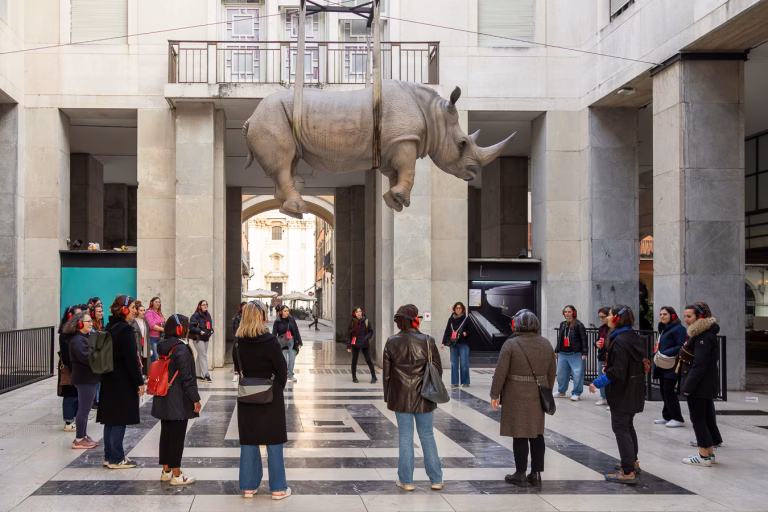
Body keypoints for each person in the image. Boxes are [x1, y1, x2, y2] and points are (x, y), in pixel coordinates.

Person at [490, 309, 555, 486]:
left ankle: (520, 473)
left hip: (515, 394)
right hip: (538, 393)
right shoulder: (546, 343)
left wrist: (494, 394)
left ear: (518, 325)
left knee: (519, 434)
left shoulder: (511, 344)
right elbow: (551, 373)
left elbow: (500, 372)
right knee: (536, 433)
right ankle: (536, 474)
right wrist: (546, 390)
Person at [383, 304, 443, 491]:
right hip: (425, 395)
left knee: (405, 437)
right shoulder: (427, 340)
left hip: (401, 396)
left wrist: (389, 397)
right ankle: (436, 480)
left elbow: (387, 375)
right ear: (415, 319)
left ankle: (406, 481)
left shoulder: (391, 341)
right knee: (427, 436)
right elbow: (437, 370)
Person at [235, 302, 291, 499]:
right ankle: (278, 488)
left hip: (247, 394)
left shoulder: (238, 342)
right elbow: (282, 370)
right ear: (260, 317)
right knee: (274, 439)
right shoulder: (270, 341)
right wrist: (277, 387)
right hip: (271, 394)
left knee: (249, 439)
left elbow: (237, 367)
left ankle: (249, 486)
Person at [588, 305, 646, 484]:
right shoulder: (632, 337)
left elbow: (617, 373)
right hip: (634, 389)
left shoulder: (619, 341)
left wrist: (597, 382)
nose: (607, 318)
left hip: (623, 392)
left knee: (621, 429)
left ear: (617, 319)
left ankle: (627, 472)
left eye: (611, 315)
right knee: (628, 427)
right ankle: (632, 463)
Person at [151, 314, 201, 485]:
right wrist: (195, 399)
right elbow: (187, 378)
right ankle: (177, 475)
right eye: (185, 327)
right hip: (178, 399)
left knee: (166, 435)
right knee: (177, 437)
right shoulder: (180, 349)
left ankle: (166, 471)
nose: (187, 330)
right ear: (179, 329)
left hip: (164, 395)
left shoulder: (163, 345)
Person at [98, 295, 145, 469]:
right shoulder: (124, 329)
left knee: (110, 420)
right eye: (133, 307)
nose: (134, 311)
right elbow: (131, 359)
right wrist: (139, 382)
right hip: (122, 381)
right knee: (119, 419)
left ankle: (109, 456)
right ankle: (117, 458)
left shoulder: (110, 326)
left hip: (109, 379)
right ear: (124, 310)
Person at [680, 302, 723, 467]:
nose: (686, 319)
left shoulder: (703, 336)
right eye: (685, 316)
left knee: (698, 418)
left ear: (700, 317)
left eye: (689, 316)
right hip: (705, 383)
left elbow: (700, 364)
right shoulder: (704, 333)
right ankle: (709, 453)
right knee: (705, 418)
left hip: (700, 384)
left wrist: (688, 387)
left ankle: (703, 455)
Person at [66, 312, 100, 449]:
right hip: (84, 378)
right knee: (84, 410)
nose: (91, 324)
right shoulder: (78, 340)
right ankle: (79, 439)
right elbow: (86, 358)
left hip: (88, 378)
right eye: (88, 322)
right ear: (80, 324)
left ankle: (83, 435)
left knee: (85, 409)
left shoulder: (83, 338)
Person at [653, 306, 687, 428]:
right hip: (663, 363)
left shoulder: (679, 329)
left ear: (672, 316)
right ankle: (667, 415)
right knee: (663, 390)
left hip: (673, 364)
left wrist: (666, 352)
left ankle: (677, 417)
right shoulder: (663, 328)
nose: (662, 316)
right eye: (661, 314)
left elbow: (682, 345)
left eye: (665, 314)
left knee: (668, 390)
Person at [554, 305, 588, 401]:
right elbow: (560, 339)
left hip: (576, 353)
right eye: (565, 312)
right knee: (561, 374)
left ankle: (576, 393)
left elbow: (584, 340)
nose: (567, 314)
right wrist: (556, 350)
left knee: (577, 374)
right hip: (563, 353)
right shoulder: (562, 324)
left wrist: (585, 353)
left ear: (574, 313)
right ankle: (561, 391)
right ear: (563, 313)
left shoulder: (579, 325)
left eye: (569, 312)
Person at [58, 305, 82, 432]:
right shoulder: (65, 333)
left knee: (77, 394)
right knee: (70, 394)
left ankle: (74, 417)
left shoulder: (75, 332)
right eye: (77, 315)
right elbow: (67, 354)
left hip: (76, 367)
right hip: (69, 367)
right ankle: (68, 421)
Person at [440, 302, 472, 388]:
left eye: (460, 308)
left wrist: (466, 333)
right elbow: (447, 332)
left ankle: (465, 382)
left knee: (464, 363)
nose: (458, 310)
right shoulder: (451, 320)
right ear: (454, 309)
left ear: (462, 309)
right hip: (453, 344)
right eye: (457, 308)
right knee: (454, 364)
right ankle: (454, 382)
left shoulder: (466, 319)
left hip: (463, 344)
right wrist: (443, 342)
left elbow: (472, 331)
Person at [347, 307, 376, 384]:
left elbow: (370, 331)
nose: (359, 313)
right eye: (357, 312)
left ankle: (374, 377)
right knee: (354, 361)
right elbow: (349, 335)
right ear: (354, 313)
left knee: (368, 360)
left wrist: (367, 337)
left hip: (364, 343)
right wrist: (349, 346)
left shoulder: (366, 322)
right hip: (355, 343)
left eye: (360, 311)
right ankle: (354, 377)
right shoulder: (352, 322)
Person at [273, 305, 302, 383]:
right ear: (281, 312)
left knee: (292, 359)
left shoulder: (292, 320)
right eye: (285, 311)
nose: (287, 312)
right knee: (284, 360)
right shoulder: (277, 321)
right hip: (282, 342)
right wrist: (273, 344)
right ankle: (284, 375)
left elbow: (296, 331)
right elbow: (274, 333)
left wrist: (299, 341)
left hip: (292, 341)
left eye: (288, 311)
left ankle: (290, 375)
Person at [189, 300, 213, 382]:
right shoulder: (195, 315)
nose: (205, 306)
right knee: (203, 355)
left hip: (206, 337)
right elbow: (191, 327)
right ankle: (206, 374)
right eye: (203, 305)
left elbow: (209, 325)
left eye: (206, 304)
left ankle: (198, 375)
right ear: (199, 306)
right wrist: (199, 331)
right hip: (198, 338)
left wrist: (211, 330)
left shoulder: (208, 315)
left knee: (201, 355)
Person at [594, 307, 611, 406]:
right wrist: (596, 343)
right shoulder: (602, 328)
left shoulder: (613, 329)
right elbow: (597, 341)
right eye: (600, 317)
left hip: (610, 357)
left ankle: (611, 398)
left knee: (610, 377)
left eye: (603, 317)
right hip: (602, 356)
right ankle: (603, 397)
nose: (601, 319)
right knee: (601, 376)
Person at [132, 301, 151, 375]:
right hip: (137, 343)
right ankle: (139, 376)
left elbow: (148, 335)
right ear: (137, 312)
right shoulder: (133, 322)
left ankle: (145, 376)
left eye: (144, 310)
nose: (143, 312)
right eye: (141, 310)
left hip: (145, 343)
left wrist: (150, 348)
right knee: (138, 360)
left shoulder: (145, 322)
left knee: (145, 360)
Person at [145, 297, 165, 364]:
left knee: (160, 358)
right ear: (151, 303)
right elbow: (151, 325)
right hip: (152, 338)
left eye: (159, 302)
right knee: (155, 358)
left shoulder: (159, 313)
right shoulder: (149, 312)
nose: (158, 303)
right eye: (156, 302)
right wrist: (163, 329)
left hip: (160, 338)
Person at [232, 301, 247, 382]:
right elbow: (235, 330)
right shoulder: (238, 317)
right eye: (244, 307)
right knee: (237, 356)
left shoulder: (249, 317)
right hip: (239, 339)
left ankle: (244, 373)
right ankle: (236, 373)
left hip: (247, 340)